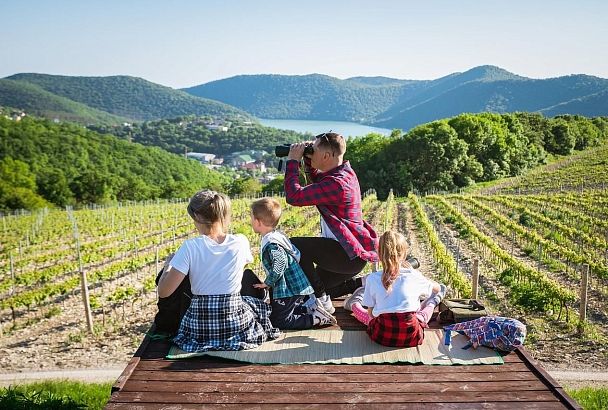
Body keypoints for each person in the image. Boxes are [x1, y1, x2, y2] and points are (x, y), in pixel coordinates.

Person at [157, 190, 280, 352]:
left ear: (197, 217)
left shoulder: (189, 247)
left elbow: (164, 292)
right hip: (235, 325)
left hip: (199, 330)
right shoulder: (240, 242)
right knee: (252, 296)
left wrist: (168, 267)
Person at [284, 131, 378, 315]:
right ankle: (361, 284)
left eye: (314, 149)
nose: (310, 152)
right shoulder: (343, 173)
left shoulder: (337, 184)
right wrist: (308, 159)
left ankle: (321, 301)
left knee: (294, 244)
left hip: (345, 255)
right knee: (307, 291)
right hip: (351, 257)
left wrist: (293, 162)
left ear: (326, 156)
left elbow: (294, 196)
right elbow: (319, 181)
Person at [343, 230, 446, 347]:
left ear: (379, 254)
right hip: (412, 336)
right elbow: (436, 288)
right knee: (422, 315)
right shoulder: (413, 275)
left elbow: (371, 314)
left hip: (381, 336)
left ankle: (354, 303)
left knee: (368, 318)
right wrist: (430, 283)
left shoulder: (372, 279)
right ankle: (433, 301)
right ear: (404, 254)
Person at [250, 197, 337, 328]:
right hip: (291, 286)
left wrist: (267, 282)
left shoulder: (271, 243)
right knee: (276, 314)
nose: (250, 221)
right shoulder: (276, 235)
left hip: (288, 289)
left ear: (258, 222)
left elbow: (280, 262)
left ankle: (316, 318)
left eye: (251, 218)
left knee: (279, 322)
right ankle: (309, 310)